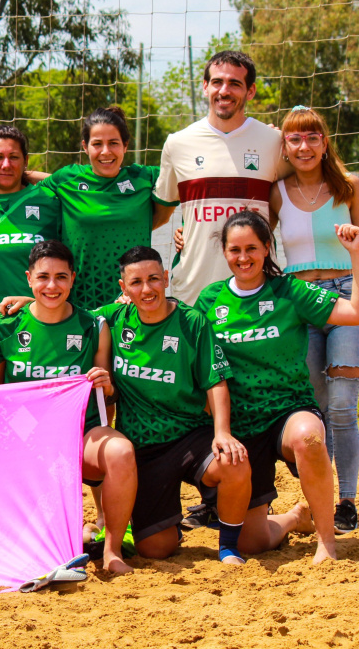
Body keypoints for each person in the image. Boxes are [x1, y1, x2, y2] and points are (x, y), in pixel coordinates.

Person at [195, 211, 359, 564]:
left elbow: (354, 312)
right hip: (242, 426)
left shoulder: (289, 290)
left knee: (310, 438)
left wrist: (355, 255)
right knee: (253, 543)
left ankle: (327, 542)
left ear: (267, 247)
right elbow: (179, 336)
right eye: (235, 250)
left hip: (289, 410)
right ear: (224, 252)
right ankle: (293, 518)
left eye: (252, 248)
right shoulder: (210, 301)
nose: (243, 258)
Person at [0, 240, 135, 574]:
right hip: (26, 437)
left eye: (61, 277)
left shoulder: (93, 327)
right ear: (29, 278)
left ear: (73, 279)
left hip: (81, 433)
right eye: (43, 277)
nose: (52, 286)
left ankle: (111, 550)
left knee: (121, 452)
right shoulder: (4, 327)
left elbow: (107, 399)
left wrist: (106, 385)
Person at [101, 246, 250, 564]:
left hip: (189, 434)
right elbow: (65, 316)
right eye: (136, 282)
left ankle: (228, 546)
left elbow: (216, 381)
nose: (147, 289)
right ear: (123, 288)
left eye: (154, 279)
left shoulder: (192, 322)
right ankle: (170, 522)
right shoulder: (113, 319)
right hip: (144, 449)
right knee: (156, 549)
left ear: (166, 278)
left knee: (234, 462)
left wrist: (222, 432)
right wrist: (30, 302)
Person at [268, 107, 359, 534]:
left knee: (343, 402)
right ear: (284, 146)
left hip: (345, 297)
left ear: (325, 142)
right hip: (300, 300)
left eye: (312, 137)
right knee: (317, 406)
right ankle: (320, 496)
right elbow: (254, 240)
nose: (304, 147)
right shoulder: (276, 193)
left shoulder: (349, 188)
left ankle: (347, 499)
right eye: (294, 139)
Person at [155, 51, 285, 306]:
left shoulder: (273, 142)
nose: (224, 90)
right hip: (194, 291)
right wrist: (189, 230)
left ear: (251, 91)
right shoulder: (178, 143)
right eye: (217, 82)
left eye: (235, 84)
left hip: (260, 289)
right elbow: (162, 211)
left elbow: (293, 198)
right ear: (205, 87)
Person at [40, 106, 172, 310]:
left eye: (113, 143)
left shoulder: (144, 177)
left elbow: (189, 184)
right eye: (97, 144)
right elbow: (25, 190)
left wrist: (184, 230)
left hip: (134, 299)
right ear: (85, 146)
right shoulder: (66, 179)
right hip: (80, 300)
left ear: (126, 145)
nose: (105, 152)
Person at [0, 125, 58, 358]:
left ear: (26, 161)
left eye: (14, 157)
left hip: (40, 322)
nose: (6, 165)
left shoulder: (49, 201)